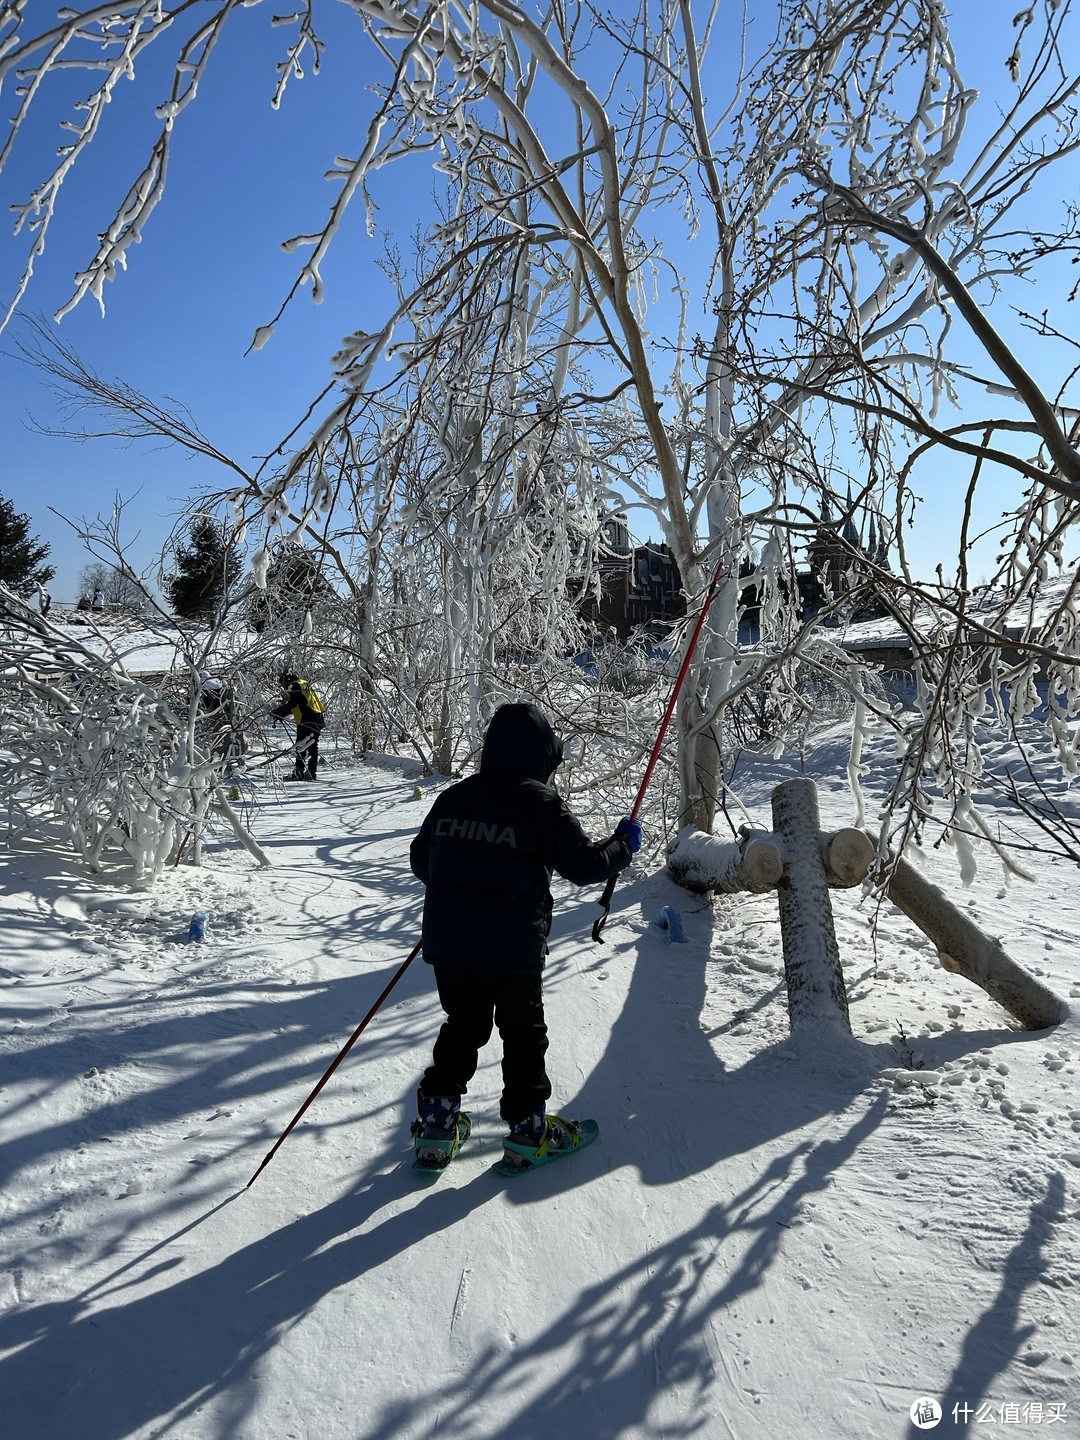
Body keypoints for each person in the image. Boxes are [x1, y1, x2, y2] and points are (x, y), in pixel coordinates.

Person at [408, 701, 642, 1172]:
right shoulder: (541, 803)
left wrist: (463, 880)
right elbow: (584, 866)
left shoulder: (453, 798)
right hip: (513, 950)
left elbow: (420, 859)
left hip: (451, 947)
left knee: (463, 1026)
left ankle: (437, 1122)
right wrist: (624, 846)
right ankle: (527, 1132)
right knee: (522, 1035)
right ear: (540, 755)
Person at [271, 671, 325, 780]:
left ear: (286, 680)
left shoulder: (294, 685)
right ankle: (310, 773)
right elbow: (302, 704)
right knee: (312, 747)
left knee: (300, 746)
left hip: (307, 720)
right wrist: (282, 713)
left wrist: (279, 712)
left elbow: (293, 703)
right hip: (317, 718)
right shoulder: (304, 683)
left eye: (282, 684)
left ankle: (299, 773)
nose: (283, 687)